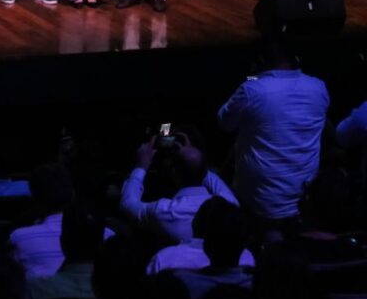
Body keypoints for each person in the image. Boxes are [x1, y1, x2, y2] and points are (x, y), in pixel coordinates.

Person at [217, 36, 329, 234]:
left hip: (259, 204)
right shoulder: (318, 87)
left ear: (261, 60)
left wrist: (251, 79)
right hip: (305, 201)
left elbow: (224, 123)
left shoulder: (252, 89)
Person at [119, 135, 239, 244]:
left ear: (174, 173)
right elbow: (210, 177)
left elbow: (127, 204)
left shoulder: (164, 211)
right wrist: (193, 157)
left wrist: (141, 165)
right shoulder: (229, 204)